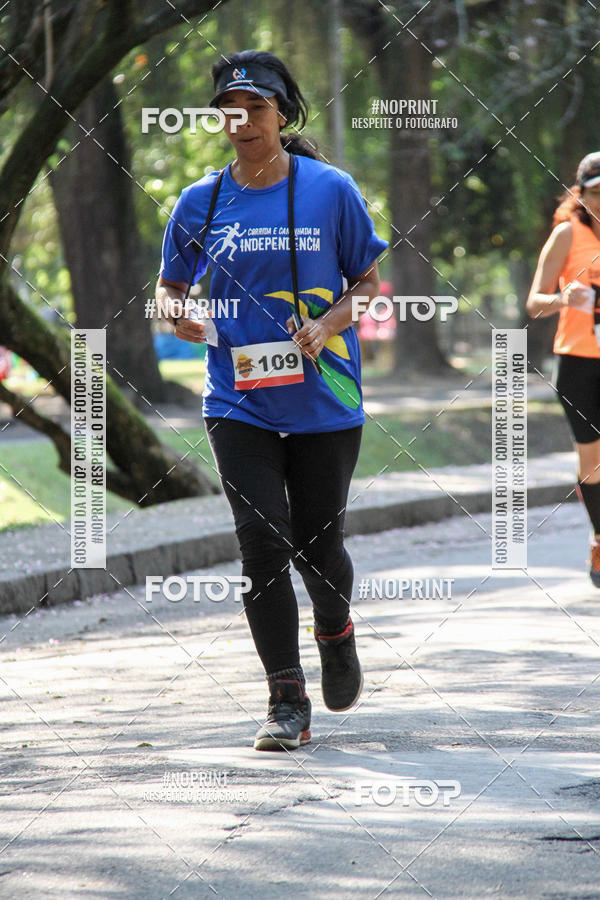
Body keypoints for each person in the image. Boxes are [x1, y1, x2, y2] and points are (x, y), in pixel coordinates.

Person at [155, 50, 387, 750]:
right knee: (262, 547)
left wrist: (326, 323)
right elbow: (167, 288)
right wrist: (175, 317)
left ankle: (336, 631)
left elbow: (370, 285)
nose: (243, 120)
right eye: (231, 108)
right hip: (238, 401)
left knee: (320, 550)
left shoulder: (331, 189)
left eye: (256, 107)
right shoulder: (200, 201)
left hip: (323, 400)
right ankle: (286, 700)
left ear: (282, 115)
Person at [526, 151, 600, 585]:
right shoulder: (567, 235)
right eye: (596, 192)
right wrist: (563, 299)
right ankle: (599, 535)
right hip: (577, 362)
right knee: (592, 464)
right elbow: (534, 302)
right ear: (581, 193)